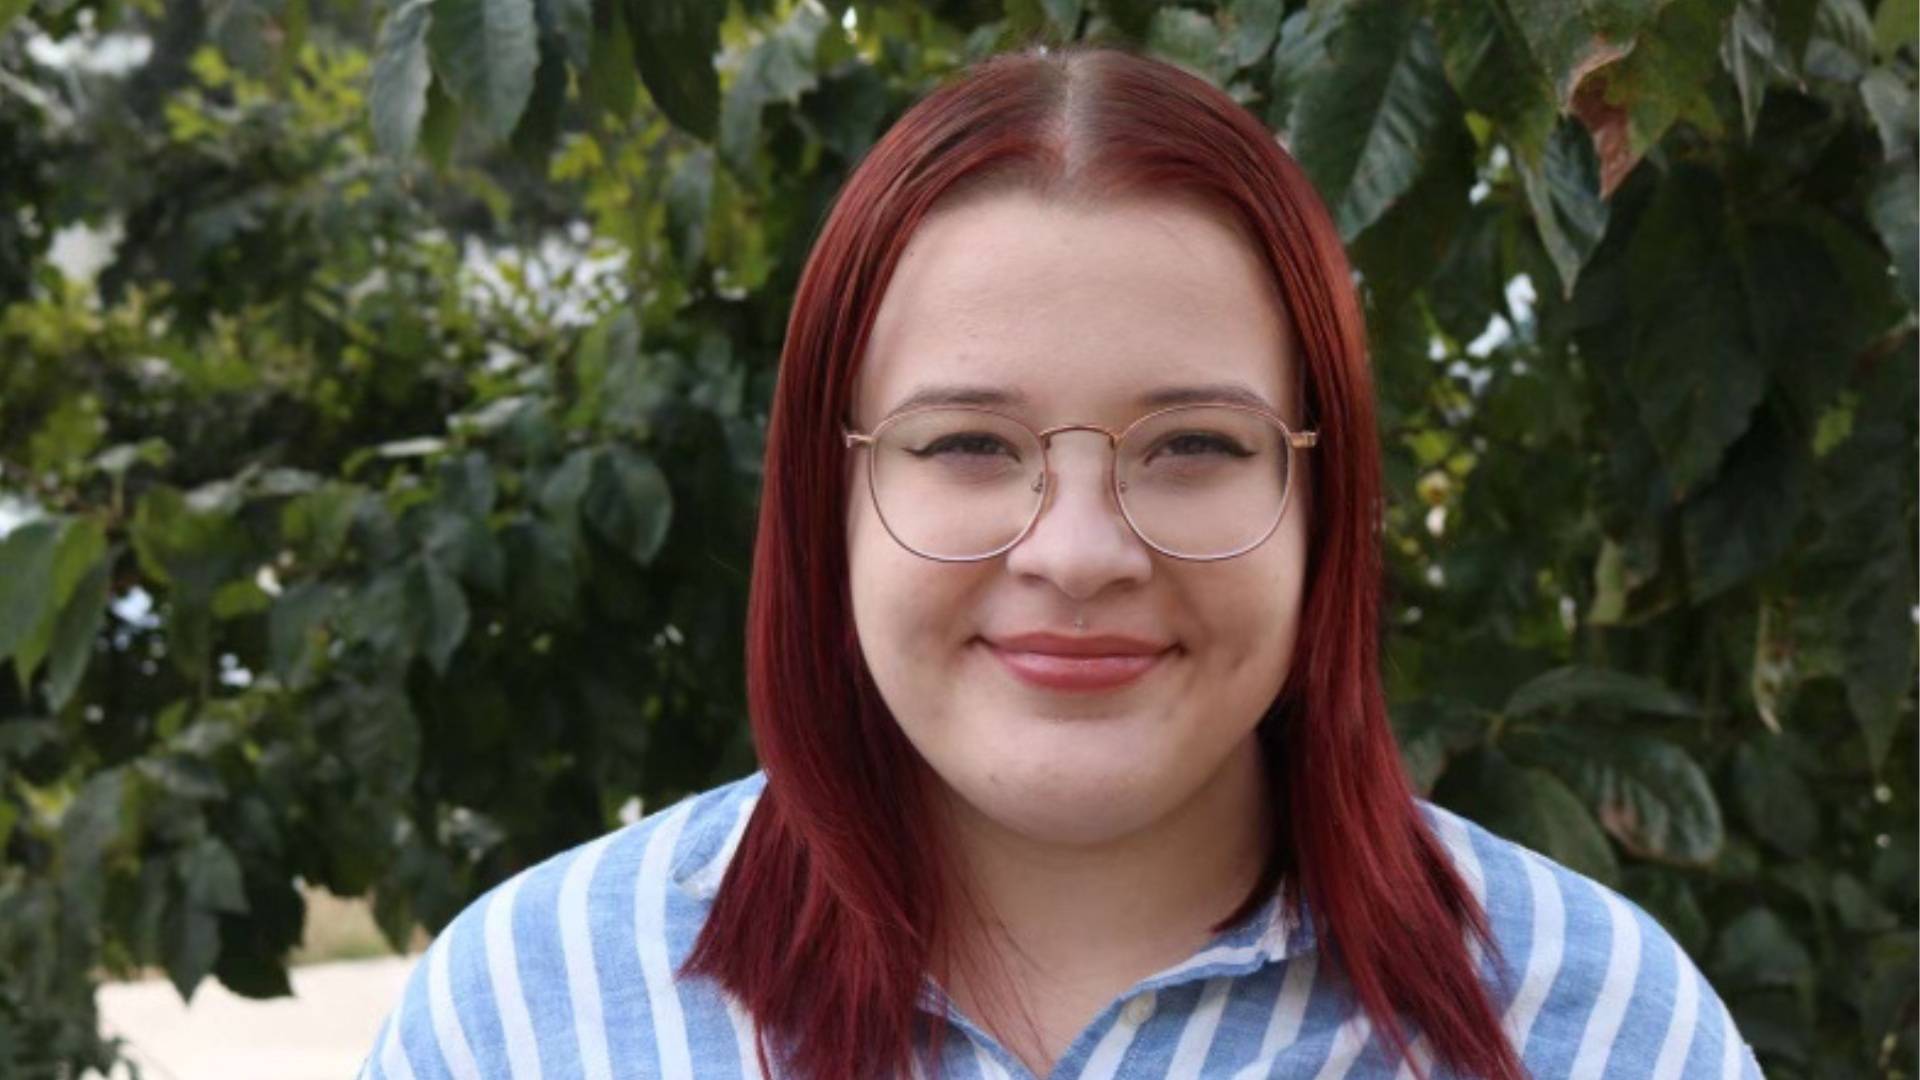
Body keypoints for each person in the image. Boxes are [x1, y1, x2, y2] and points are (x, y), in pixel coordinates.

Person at [359, 43, 1765, 1080]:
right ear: (826, 495)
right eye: (969, 443)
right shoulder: (527, 1019)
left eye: (1195, 447)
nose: (1078, 553)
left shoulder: (1593, 1029)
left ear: (1326, 505)